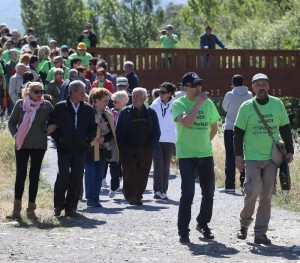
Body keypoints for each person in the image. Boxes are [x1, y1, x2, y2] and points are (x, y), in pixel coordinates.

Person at [234, 73, 294, 245]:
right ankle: (244, 224)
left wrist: (290, 151)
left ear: (268, 86)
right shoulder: (246, 107)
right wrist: (238, 156)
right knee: (252, 191)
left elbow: (285, 128)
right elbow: (238, 134)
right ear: (252, 87)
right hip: (252, 157)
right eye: (258, 84)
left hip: (272, 157)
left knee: (266, 195)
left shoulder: (277, 104)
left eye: (264, 84)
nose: (261, 87)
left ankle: (260, 233)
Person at [172, 72, 220, 244]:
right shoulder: (179, 104)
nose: (198, 88)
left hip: (205, 154)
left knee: (209, 193)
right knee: (188, 193)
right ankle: (183, 231)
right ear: (184, 88)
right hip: (186, 155)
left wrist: (205, 142)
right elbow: (186, 122)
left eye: (199, 84)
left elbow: (214, 127)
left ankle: (202, 223)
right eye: (194, 85)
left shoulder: (209, 104)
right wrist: (198, 104)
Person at [48, 80, 97, 217]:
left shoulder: (87, 108)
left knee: (76, 177)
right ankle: (58, 206)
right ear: (73, 92)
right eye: (82, 92)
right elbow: (52, 124)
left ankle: (71, 207)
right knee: (63, 176)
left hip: (81, 148)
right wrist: (59, 139)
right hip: (64, 147)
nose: (84, 94)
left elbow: (93, 127)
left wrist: (88, 139)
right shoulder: (60, 107)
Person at [7, 82, 54, 220]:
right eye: (36, 91)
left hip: (39, 145)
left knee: (34, 176)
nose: (40, 94)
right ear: (28, 92)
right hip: (22, 144)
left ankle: (31, 210)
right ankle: (16, 210)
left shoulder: (46, 106)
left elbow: (56, 119)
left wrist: (53, 126)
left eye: (41, 91)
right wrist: (16, 135)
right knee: (20, 176)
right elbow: (11, 123)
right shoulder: (20, 104)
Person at [116, 88, 160, 205]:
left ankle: (138, 195)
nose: (134, 98)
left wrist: (152, 145)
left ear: (144, 98)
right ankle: (130, 196)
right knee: (129, 170)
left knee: (143, 172)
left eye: (137, 96)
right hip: (128, 147)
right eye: (133, 96)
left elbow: (156, 131)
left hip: (145, 148)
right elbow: (118, 131)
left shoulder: (151, 113)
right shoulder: (125, 112)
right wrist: (121, 146)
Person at [85, 88, 118, 207]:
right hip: (90, 148)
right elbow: (84, 129)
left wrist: (105, 138)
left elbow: (112, 132)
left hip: (104, 148)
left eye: (108, 100)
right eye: (104, 100)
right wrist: (97, 127)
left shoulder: (108, 114)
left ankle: (96, 198)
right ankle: (90, 197)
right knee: (90, 172)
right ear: (96, 100)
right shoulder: (88, 113)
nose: (107, 103)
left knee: (99, 173)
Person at [220, 74, 253, 194]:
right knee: (244, 154)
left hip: (230, 128)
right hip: (246, 128)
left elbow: (224, 108)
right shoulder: (249, 94)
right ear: (243, 82)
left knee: (230, 156)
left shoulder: (229, 94)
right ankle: (244, 184)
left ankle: (229, 185)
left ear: (232, 83)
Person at [150, 82, 176, 200]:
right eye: (159, 92)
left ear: (170, 93)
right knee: (157, 165)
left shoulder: (176, 104)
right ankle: (157, 190)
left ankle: (164, 191)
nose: (160, 94)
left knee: (166, 166)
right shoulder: (155, 103)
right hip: (157, 139)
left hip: (170, 139)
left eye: (163, 92)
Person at [106, 90, 129, 198]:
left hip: (126, 143)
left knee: (127, 166)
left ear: (124, 102)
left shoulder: (129, 112)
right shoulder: (110, 112)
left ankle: (127, 188)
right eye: (113, 101)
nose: (113, 103)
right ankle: (114, 187)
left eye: (116, 101)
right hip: (114, 143)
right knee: (114, 166)